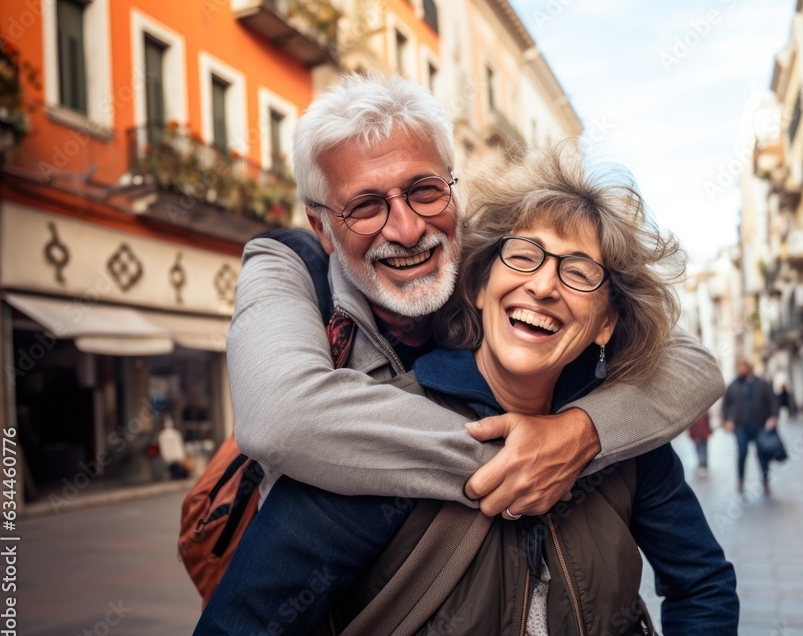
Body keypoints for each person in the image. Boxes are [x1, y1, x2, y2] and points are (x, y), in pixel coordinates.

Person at [188, 147, 738, 636]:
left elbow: (703, 585)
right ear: (478, 285)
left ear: (607, 323)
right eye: (524, 256)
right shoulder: (375, 432)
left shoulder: (627, 441)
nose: (545, 285)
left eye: (579, 272)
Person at [226, 73, 724, 519]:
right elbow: (279, 418)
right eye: (365, 206)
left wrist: (579, 433)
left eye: (424, 190)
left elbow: (693, 363)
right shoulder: (285, 263)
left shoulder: (494, 260)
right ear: (322, 227)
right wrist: (519, 463)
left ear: (452, 188)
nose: (405, 229)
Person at [722, 359, 778, 496]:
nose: (739, 369)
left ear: (748, 367)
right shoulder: (733, 385)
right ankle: (740, 480)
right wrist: (726, 421)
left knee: (762, 455)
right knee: (741, 454)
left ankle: (765, 482)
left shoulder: (762, 383)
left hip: (759, 426)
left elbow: (772, 400)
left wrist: (774, 417)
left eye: (741, 366)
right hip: (740, 427)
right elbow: (725, 404)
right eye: (737, 367)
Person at [688, 411, 712, 476]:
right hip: (700, 435)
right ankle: (703, 465)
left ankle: (703, 465)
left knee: (701, 451)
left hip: (701, 435)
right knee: (702, 451)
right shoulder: (695, 414)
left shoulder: (693, 414)